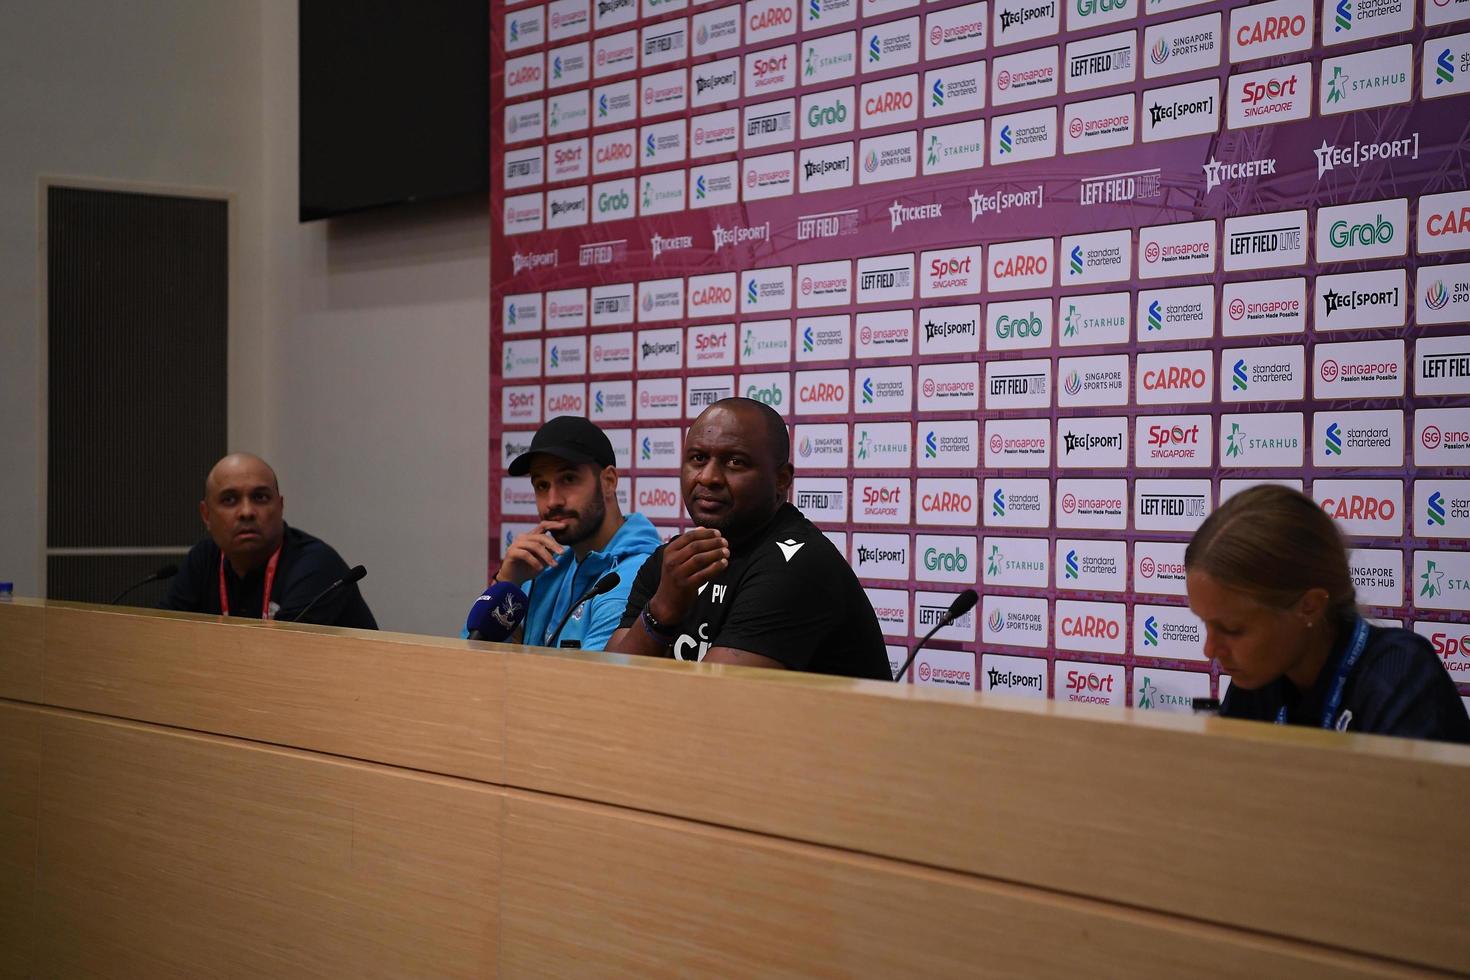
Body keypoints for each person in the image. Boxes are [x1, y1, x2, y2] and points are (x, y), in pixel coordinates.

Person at [608, 397, 891, 680]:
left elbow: (715, 702)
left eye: (735, 462)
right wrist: (660, 610)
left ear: (781, 480)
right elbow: (607, 682)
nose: (708, 477)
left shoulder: (798, 564)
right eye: (698, 458)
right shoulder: (670, 561)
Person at [1185, 484, 1469, 742]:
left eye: (1233, 629)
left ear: (1310, 606)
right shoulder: (1257, 679)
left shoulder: (1400, 677)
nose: (1210, 649)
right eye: (1204, 623)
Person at [496, 415, 659, 649]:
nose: (552, 501)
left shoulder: (638, 573)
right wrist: (506, 583)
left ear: (609, 482)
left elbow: (590, 680)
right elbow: (473, 655)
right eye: (542, 485)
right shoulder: (546, 565)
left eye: (568, 479)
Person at [161, 453, 377, 628]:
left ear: (280, 506)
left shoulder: (316, 565)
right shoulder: (205, 558)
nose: (246, 512)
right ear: (206, 515)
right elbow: (163, 635)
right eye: (230, 500)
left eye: (260, 497)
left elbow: (280, 657)